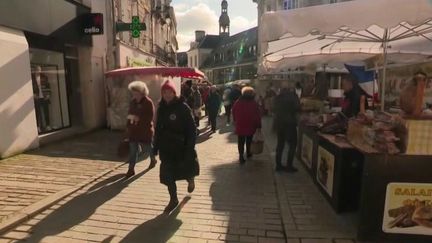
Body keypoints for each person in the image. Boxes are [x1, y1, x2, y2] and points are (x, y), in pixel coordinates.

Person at [153, 80, 200, 213]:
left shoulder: (183, 107)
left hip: (181, 146)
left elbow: (192, 129)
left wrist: (190, 146)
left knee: (185, 169)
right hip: (166, 148)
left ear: (174, 93)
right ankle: (173, 199)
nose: (167, 95)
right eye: (164, 92)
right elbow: (158, 129)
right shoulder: (161, 108)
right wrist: (155, 147)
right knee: (167, 175)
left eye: (170, 92)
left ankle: (190, 179)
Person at [124, 81, 157, 178]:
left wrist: (140, 119)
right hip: (134, 130)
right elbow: (129, 114)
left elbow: (150, 117)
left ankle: (153, 159)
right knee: (133, 151)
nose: (134, 95)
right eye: (133, 93)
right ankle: (131, 169)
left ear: (142, 92)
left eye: (136, 93)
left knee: (148, 147)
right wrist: (128, 126)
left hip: (145, 130)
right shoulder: (132, 102)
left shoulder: (148, 102)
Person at [273, 87, 301, 172]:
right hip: (290, 124)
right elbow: (297, 108)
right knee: (292, 144)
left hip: (279, 124)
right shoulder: (293, 97)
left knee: (280, 145)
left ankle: (278, 165)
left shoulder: (277, 98)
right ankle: (289, 166)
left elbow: (273, 109)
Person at [232, 87, 262, 164]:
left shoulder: (238, 102)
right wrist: (259, 126)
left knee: (241, 141)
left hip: (240, 124)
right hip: (250, 125)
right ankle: (248, 153)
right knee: (249, 140)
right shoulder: (254, 103)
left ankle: (241, 156)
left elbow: (234, 111)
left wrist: (235, 121)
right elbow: (258, 115)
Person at [32, 66, 51, 132]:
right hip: (37, 98)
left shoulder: (44, 77)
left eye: (40, 70)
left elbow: (48, 86)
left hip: (44, 97)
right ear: (35, 70)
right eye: (37, 70)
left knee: (46, 112)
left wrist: (48, 94)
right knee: (37, 113)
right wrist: (33, 94)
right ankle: (38, 127)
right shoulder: (31, 78)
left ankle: (48, 125)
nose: (38, 71)